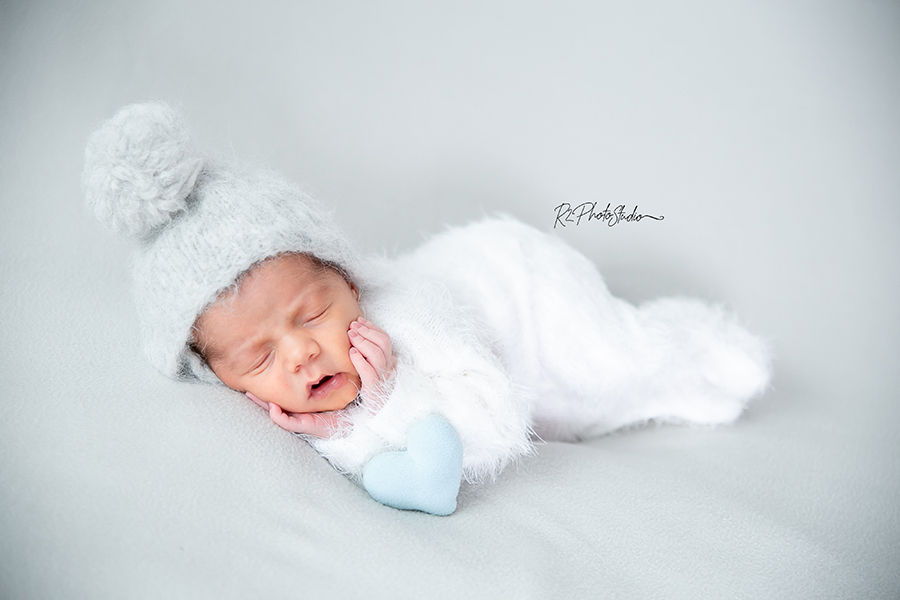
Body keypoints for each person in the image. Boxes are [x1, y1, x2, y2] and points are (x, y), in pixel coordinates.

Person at [83, 101, 771, 511]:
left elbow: (496, 422)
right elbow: (377, 449)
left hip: (525, 287)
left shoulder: (410, 311)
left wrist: (384, 403)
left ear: (347, 277)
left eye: (312, 314)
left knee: (609, 370)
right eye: (258, 356)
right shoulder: (291, 406)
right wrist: (359, 431)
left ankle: (698, 346)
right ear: (218, 376)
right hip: (506, 323)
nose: (300, 354)